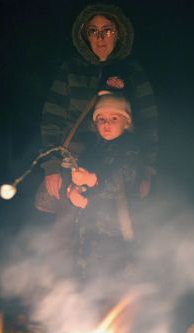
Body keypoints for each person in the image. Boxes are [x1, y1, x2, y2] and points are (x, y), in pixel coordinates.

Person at [36, 3, 158, 212]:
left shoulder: (132, 72)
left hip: (118, 165)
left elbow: (149, 123)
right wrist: (51, 166)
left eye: (107, 30)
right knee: (65, 232)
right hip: (72, 165)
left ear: (118, 34)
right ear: (85, 36)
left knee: (115, 225)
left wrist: (146, 171)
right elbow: (51, 119)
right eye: (93, 31)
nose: (100, 37)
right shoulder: (71, 69)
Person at [65, 92, 144, 282]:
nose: (106, 124)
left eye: (113, 118)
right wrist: (74, 191)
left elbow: (124, 179)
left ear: (126, 122)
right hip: (89, 225)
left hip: (117, 226)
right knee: (87, 270)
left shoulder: (129, 148)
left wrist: (92, 180)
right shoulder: (94, 147)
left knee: (115, 273)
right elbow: (81, 175)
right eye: (101, 119)